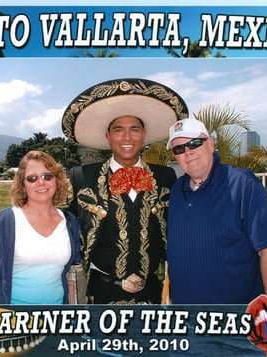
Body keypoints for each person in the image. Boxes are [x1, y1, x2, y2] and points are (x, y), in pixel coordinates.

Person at [62, 78, 189, 304]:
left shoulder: (165, 177)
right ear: (108, 136)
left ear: (144, 135)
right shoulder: (84, 176)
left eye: (134, 129)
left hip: (152, 294)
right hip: (101, 294)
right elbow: (62, 228)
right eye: (118, 130)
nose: (127, 137)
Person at [166, 118, 267, 304]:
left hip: (236, 320)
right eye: (179, 149)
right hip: (186, 320)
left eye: (194, 143)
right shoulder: (176, 191)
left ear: (211, 144)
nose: (188, 152)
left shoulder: (242, 184)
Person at [0, 150, 81, 304]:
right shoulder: (4, 223)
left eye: (47, 176)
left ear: (57, 180)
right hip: (11, 322)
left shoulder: (70, 223)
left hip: (55, 321)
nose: (41, 182)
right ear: (22, 185)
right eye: (32, 178)